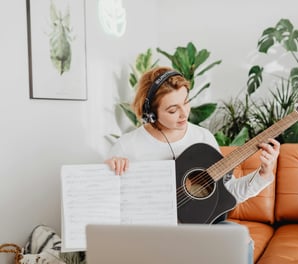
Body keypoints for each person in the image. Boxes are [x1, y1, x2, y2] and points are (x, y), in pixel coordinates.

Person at [105, 66, 280, 264]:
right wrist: (110, 171)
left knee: (238, 236)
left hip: (196, 232)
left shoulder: (203, 138)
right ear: (150, 113)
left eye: (186, 102)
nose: (183, 114)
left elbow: (226, 193)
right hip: (150, 237)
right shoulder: (128, 145)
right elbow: (105, 204)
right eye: (172, 110)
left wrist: (264, 173)